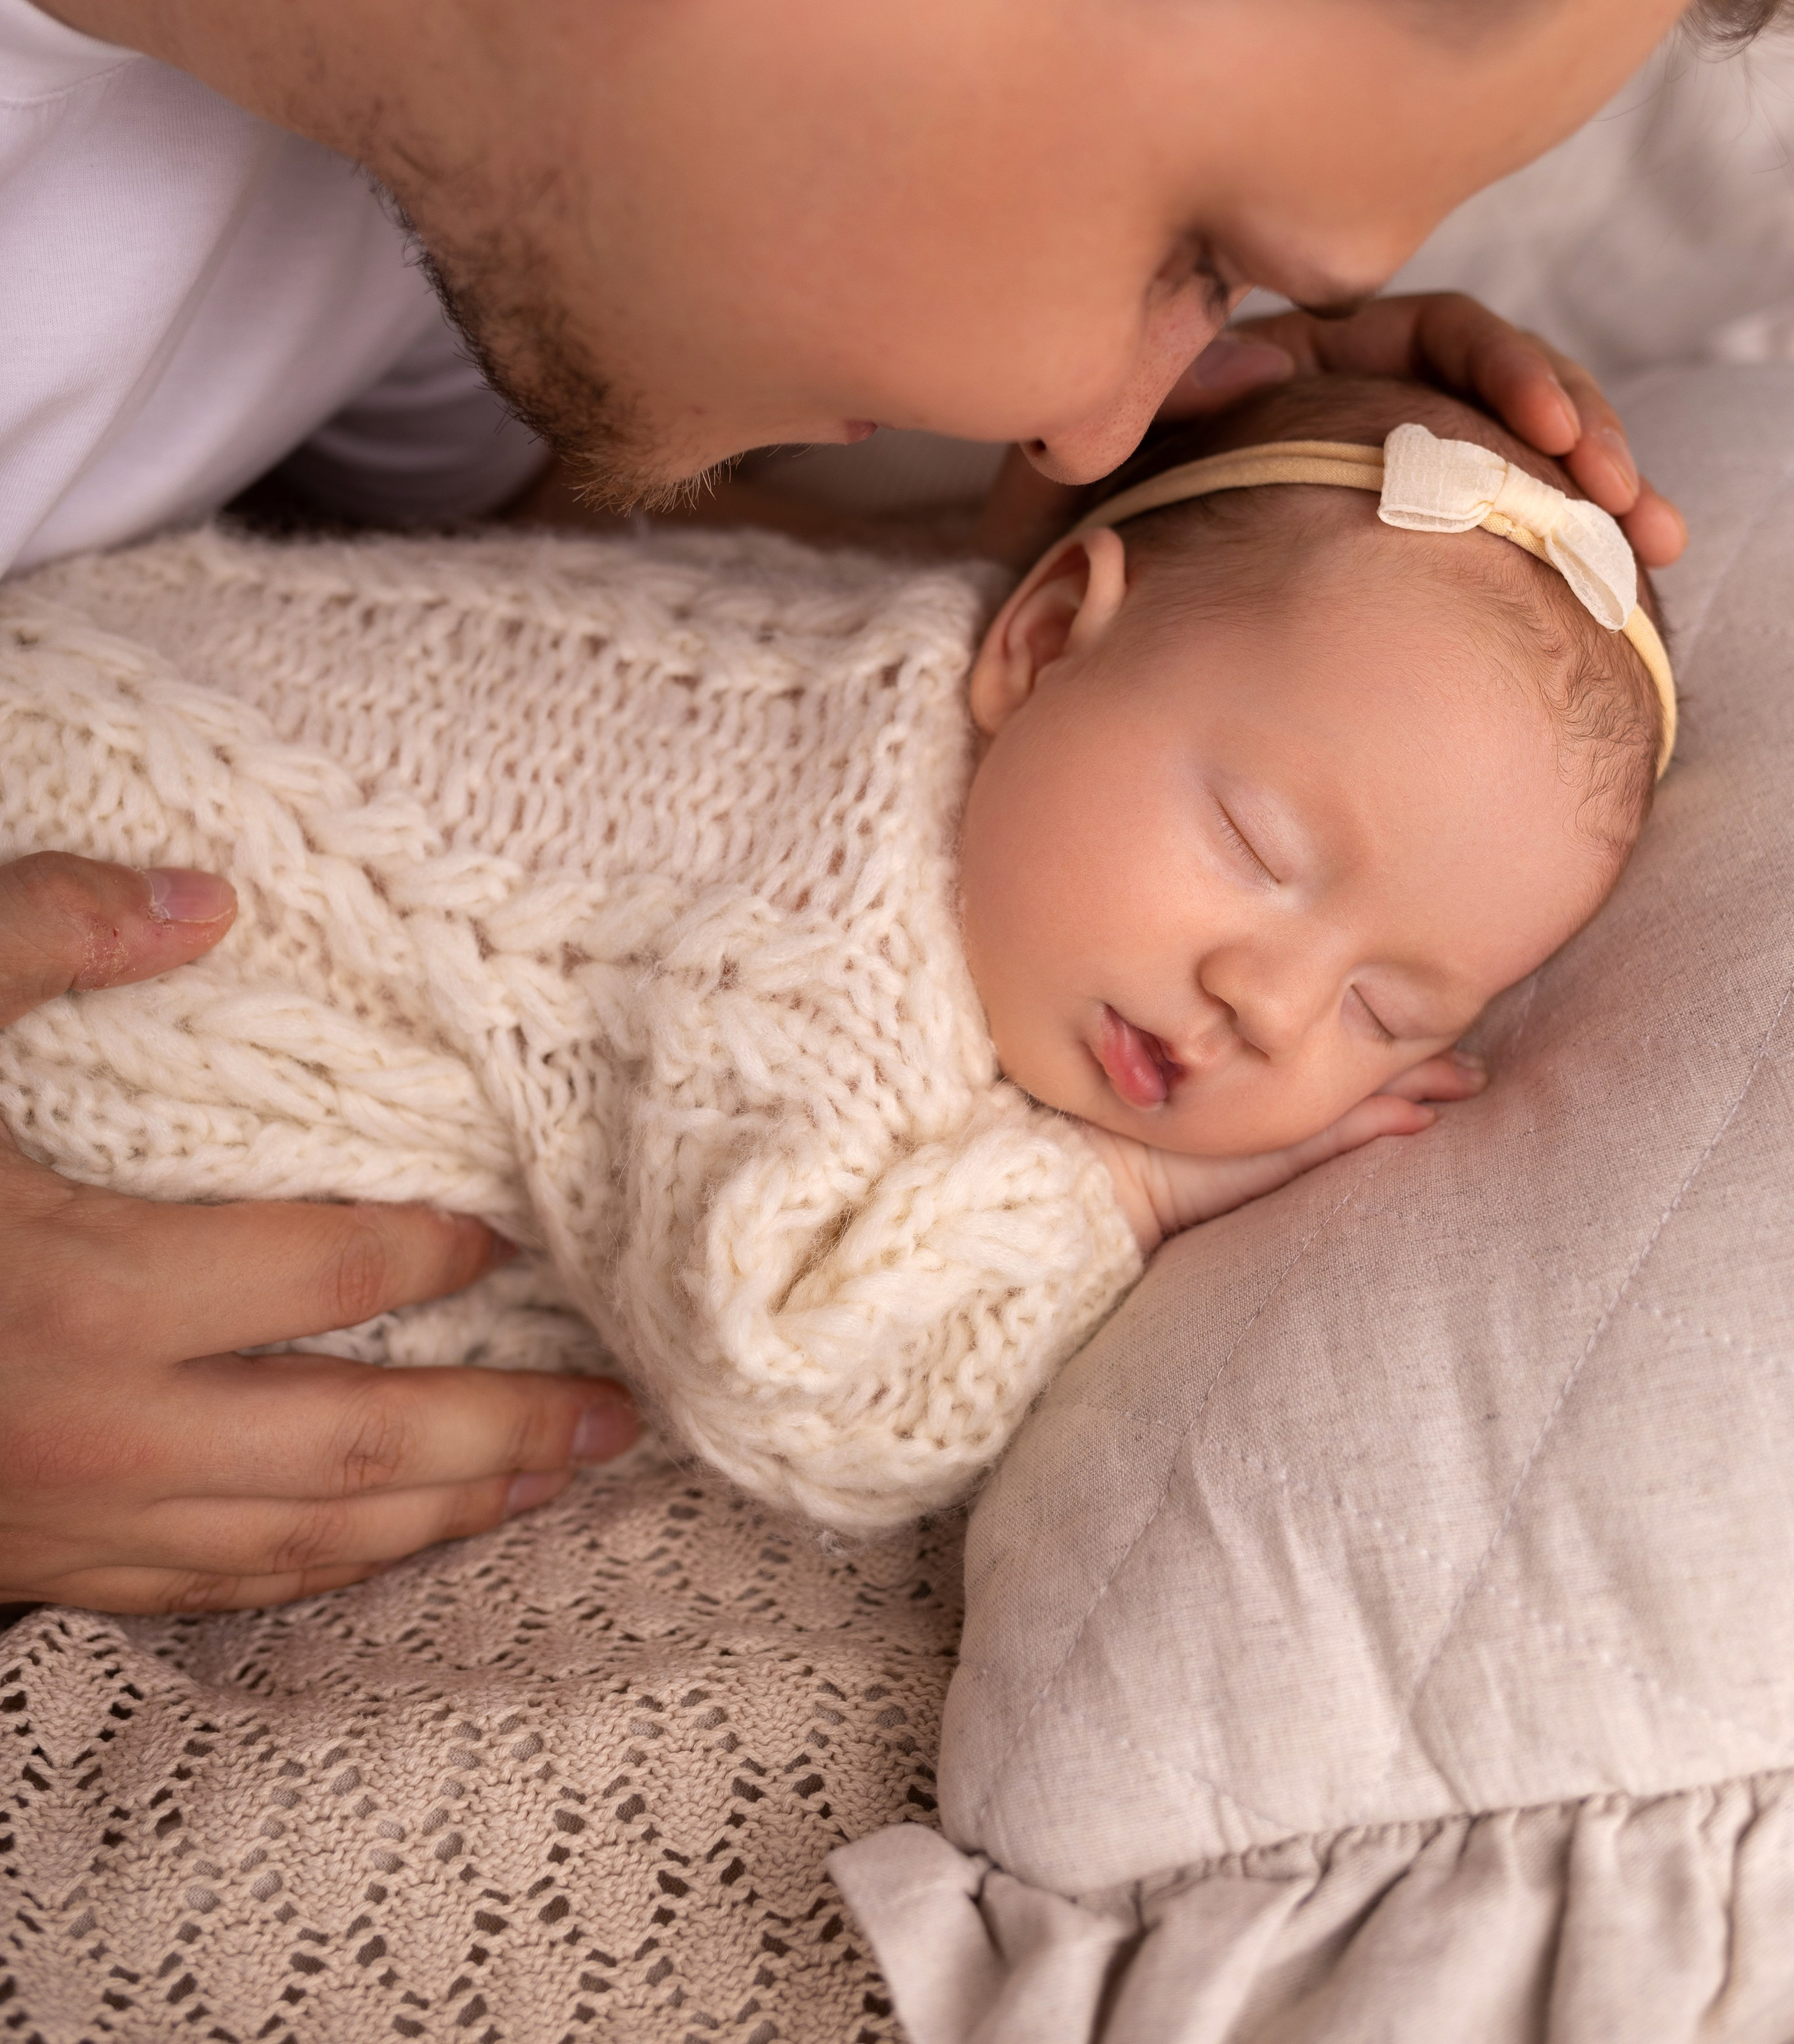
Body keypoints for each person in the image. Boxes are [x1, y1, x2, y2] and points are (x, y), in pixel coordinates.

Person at [0, 0, 1786, 1609]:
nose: (1106, 415)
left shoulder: (456, 98)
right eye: (1195, 252)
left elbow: (495, 655)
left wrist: (1157, 541)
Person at [0, 375, 1668, 1548]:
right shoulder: (827, 953)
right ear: (1036, 638)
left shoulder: (926, 660)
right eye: (1255, 848)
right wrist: (1114, 1200)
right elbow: (804, 1387)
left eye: (1388, 1013)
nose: (1269, 1002)